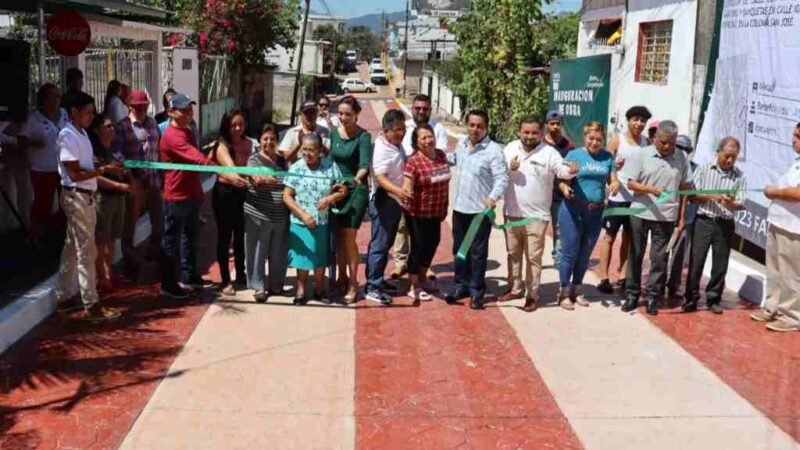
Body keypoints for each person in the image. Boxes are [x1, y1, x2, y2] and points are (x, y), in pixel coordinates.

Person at [54, 91, 123, 321]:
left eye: (92, 113)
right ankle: (91, 304)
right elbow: (74, 172)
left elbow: (86, 164)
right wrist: (103, 170)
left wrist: (106, 168)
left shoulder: (80, 133)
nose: (91, 117)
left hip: (84, 197)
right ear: (74, 112)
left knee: (72, 247)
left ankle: (64, 296)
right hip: (77, 197)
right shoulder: (67, 135)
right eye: (87, 113)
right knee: (87, 251)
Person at [502, 117, 576, 312]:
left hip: (537, 217)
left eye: (534, 133)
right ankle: (515, 287)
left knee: (533, 258)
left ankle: (532, 295)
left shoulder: (549, 153)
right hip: (511, 213)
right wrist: (509, 169)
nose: (529, 136)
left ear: (541, 133)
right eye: (526, 132)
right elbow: (498, 173)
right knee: (513, 254)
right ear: (519, 131)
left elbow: (563, 171)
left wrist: (572, 170)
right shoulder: (509, 148)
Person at [623, 120, 692, 315]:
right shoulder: (642, 154)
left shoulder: (682, 158)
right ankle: (632, 294)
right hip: (640, 212)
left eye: (670, 143)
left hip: (666, 216)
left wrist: (681, 217)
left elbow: (685, 189)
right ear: (655, 138)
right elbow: (630, 183)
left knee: (659, 259)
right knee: (636, 254)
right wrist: (650, 189)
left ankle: (653, 297)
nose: (667, 146)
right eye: (663, 142)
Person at [444, 110, 508, 310]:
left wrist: (492, 197)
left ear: (486, 127)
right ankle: (460, 286)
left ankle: (476, 292)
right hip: (460, 208)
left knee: (478, 254)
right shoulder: (462, 144)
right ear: (466, 125)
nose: (475, 129)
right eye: (471, 125)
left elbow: (502, 178)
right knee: (459, 251)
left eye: (479, 126)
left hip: (479, 212)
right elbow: (454, 159)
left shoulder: (494, 150)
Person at [557, 122, 620, 309]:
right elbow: (561, 180)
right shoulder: (574, 155)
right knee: (569, 252)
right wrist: (565, 188)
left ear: (603, 140)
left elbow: (613, 179)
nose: (594, 142)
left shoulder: (607, 157)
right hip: (573, 209)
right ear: (585, 137)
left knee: (585, 253)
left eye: (599, 139)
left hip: (596, 211)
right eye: (591, 138)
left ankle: (577, 289)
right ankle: (563, 292)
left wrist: (615, 185)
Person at [682, 137, 746, 314]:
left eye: (734, 157)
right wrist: (713, 196)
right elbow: (693, 195)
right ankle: (691, 298)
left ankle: (713, 298)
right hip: (704, 220)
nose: (730, 160)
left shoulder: (740, 176)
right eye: (727, 156)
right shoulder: (703, 169)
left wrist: (731, 203)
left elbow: (741, 203)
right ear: (718, 152)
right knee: (696, 262)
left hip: (725, 223)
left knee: (720, 264)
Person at [283, 133, 348, 305]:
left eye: (311, 150)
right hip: (300, 221)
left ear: (320, 151)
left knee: (320, 256)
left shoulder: (329, 166)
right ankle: (301, 289)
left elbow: (343, 190)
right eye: (304, 149)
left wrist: (330, 198)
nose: (307, 153)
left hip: (323, 221)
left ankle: (319, 289)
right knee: (303, 257)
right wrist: (303, 215)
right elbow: (287, 196)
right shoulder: (296, 168)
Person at [391, 94, 449, 280]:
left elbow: (437, 154)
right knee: (403, 229)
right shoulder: (404, 126)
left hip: (427, 187)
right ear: (412, 109)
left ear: (430, 110)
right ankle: (401, 263)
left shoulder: (437, 129)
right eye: (418, 108)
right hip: (403, 184)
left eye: (425, 109)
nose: (421, 112)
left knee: (425, 238)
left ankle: (422, 268)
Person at [159, 92, 210, 298]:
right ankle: (169, 284)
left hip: (191, 192)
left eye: (190, 108)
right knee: (172, 241)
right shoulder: (172, 136)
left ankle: (190, 275)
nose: (189, 113)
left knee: (191, 236)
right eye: (184, 109)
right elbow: (196, 157)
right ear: (171, 112)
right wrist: (220, 168)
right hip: (176, 196)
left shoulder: (188, 131)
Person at [596, 106, 652, 294]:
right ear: (628, 120)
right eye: (635, 119)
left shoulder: (647, 143)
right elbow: (605, 163)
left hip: (636, 200)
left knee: (629, 238)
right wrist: (613, 179)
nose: (639, 124)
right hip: (617, 197)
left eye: (642, 120)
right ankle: (604, 277)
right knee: (609, 237)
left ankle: (622, 276)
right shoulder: (617, 140)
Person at [751, 123, 800, 332]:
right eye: (794, 135)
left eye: (798, 136)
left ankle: (791, 317)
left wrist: (773, 192)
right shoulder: (796, 163)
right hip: (778, 222)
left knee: (791, 274)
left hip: (794, 227)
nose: (794, 139)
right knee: (775, 270)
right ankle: (772, 307)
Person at [112, 90, 163, 279]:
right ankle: (130, 261)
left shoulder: (152, 123)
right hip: (135, 182)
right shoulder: (122, 127)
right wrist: (131, 175)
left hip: (154, 179)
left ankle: (154, 254)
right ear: (130, 107)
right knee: (130, 225)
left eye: (145, 106)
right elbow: (117, 154)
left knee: (159, 221)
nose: (142, 110)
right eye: (138, 107)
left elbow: (160, 149)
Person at [364, 109, 411, 306]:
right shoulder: (382, 149)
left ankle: (378, 279)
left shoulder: (395, 145)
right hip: (384, 200)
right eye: (397, 130)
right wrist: (399, 192)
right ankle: (372, 287)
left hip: (394, 201)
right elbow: (381, 178)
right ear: (386, 130)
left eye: (403, 129)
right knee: (379, 245)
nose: (401, 133)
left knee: (385, 244)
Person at [402, 124, 450, 304]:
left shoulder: (441, 155)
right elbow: (407, 186)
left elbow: (445, 181)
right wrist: (406, 192)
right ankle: (413, 286)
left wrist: (445, 205)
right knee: (418, 247)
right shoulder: (413, 161)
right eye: (423, 138)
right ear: (416, 142)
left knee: (433, 243)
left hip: (436, 212)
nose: (428, 140)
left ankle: (422, 277)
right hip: (417, 213)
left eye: (430, 136)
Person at [330, 95, 371, 303]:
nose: (343, 118)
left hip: (356, 190)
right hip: (336, 189)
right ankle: (341, 277)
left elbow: (364, 165)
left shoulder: (363, 137)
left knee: (349, 238)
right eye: (341, 113)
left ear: (356, 115)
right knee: (338, 238)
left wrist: (354, 181)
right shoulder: (333, 134)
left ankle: (353, 284)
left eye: (348, 114)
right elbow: (329, 161)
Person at [211, 109, 256, 295]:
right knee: (224, 237)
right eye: (233, 125)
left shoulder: (250, 143)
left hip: (242, 193)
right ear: (226, 126)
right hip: (224, 194)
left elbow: (257, 164)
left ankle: (241, 274)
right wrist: (238, 178)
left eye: (241, 124)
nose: (237, 128)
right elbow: (231, 168)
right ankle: (225, 280)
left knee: (240, 237)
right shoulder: (221, 146)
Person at [244, 124, 290, 303]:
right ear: (259, 141)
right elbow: (255, 177)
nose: (269, 142)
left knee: (278, 252)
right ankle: (258, 286)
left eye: (272, 139)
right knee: (257, 251)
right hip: (258, 214)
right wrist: (260, 179)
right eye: (265, 139)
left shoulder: (282, 160)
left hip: (280, 215)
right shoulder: (253, 160)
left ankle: (276, 286)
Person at [19, 83, 69, 242]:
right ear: (44, 99)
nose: (57, 99)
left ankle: (59, 236)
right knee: (43, 204)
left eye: (58, 96)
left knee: (66, 203)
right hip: (41, 169)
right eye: (53, 96)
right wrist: (34, 143)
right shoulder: (33, 118)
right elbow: (21, 140)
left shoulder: (64, 113)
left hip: (63, 168)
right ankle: (37, 237)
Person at [89, 114, 132, 292]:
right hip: (103, 199)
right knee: (101, 239)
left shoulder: (116, 150)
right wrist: (118, 184)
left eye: (112, 126)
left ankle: (109, 272)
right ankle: (103, 276)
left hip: (119, 198)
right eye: (107, 127)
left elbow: (123, 169)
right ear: (97, 130)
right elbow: (96, 177)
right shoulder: (94, 151)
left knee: (112, 238)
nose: (111, 129)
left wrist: (126, 175)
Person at [666, 135, 698, 297]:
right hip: (665, 214)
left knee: (678, 254)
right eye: (678, 147)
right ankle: (657, 282)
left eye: (685, 149)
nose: (682, 151)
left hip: (685, 218)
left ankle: (673, 284)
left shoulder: (696, 169)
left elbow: (695, 194)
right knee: (661, 252)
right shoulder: (668, 164)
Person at [543, 110, 575, 267]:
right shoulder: (540, 144)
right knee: (537, 227)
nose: (555, 127)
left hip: (559, 194)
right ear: (546, 125)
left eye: (558, 124)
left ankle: (557, 256)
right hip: (541, 193)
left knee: (559, 226)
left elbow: (571, 169)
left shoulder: (568, 146)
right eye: (552, 124)